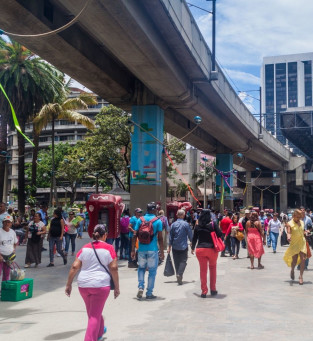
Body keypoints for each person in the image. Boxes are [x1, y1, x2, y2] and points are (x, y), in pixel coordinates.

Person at [65, 224, 120, 341]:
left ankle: (99, 332)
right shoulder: (109, 248)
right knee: (94, 315)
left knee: (92, 312)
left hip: (83, 286)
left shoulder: (84, 248)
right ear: (105, 235)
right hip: (100, 285)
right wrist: (117, 287)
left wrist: (68, 284)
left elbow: (75, 267)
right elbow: (114, 268)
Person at [131, 202, 164, 299]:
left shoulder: (140, 220)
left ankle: (141, 287)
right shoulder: (158, 221)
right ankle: (149, 293)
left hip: (141, 249)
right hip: (153, 249)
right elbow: (160, 238)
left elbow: (134, 235)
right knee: (152, 271)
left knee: (141, 268)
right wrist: (162, 251)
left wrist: (133, 249)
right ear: (154, 210)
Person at [191, 209, 222, 298]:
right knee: (213, 269)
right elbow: (220, 234)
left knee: (203, 270)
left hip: (200, 249)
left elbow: (194, 238)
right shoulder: (212, 224)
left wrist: (192, 248)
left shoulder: (197, 226)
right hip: (212, 249)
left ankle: (204, 291)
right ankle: (213, 289)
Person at [167, 209, 193, 285]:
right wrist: (192, 243)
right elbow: (190, 235)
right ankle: (180, 274)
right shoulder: (186, 224)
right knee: (183, 261)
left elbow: (170, 237)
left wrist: (169, 247)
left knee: (176, 261)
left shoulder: (173, 225)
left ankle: (178, 274)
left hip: (175, 246)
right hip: (183, 246)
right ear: (183, 215)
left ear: (177, 215)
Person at [283, 209, 308, 285]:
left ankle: (301, 276)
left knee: (303, 259)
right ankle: (292, 270)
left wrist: (306, 232)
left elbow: (301, 231)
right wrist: (288, 237)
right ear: (294, 216)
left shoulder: (302, 222)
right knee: (294, 260)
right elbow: (289, 232)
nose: (299, 218)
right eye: (297, 217)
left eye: (300, 217)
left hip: (302, 243)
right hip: (294, 243)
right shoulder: (289, 223)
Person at [0, 215, 18, 283]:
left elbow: (15, 242)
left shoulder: (12, 232)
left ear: (11, 223)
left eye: (9, 222)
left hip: (9, 257)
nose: (7, 224)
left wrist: (13, 251)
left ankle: (4, 290)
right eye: (6, 222)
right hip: (1, 256)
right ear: (3, 222)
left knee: (6, 274)